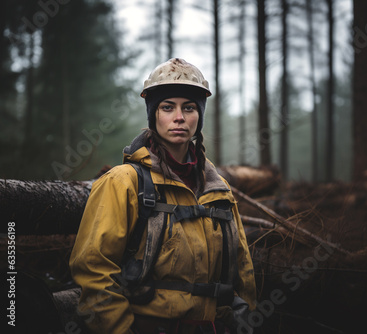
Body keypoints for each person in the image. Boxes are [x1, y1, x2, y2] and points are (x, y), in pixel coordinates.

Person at [70, 58, 256, 334]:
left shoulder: (219, 190)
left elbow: (244, 273)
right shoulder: (123, 183)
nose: (179, 117)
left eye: (189, 108)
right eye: (167, 107)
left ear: (199, 116)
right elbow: (93, 270)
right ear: (153, 114)